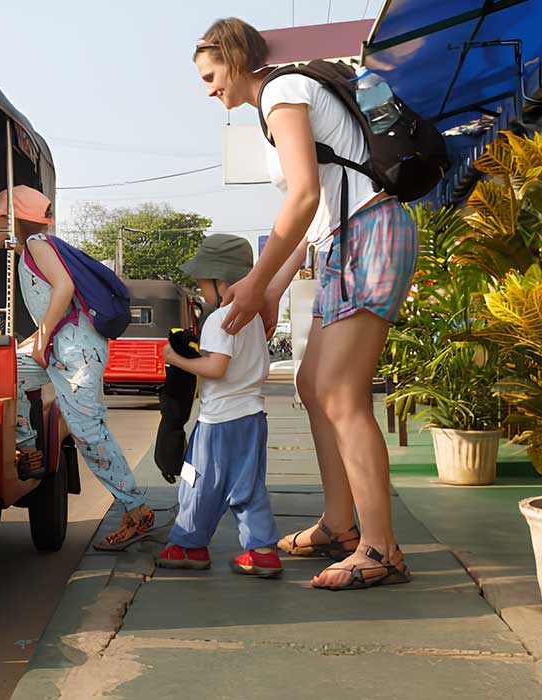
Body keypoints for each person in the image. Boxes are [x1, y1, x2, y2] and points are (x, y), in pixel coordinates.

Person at [192, 19, 416, 590]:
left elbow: (305, 195)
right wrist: (268, 289)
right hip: (342, 241)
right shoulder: (279, 99)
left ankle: (380, 548)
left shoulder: (281, 91)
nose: (209, 90)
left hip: (368, 235)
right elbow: (316, 217)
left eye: (212, 75)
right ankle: (340, 525)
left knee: (342, 394)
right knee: (313, 387)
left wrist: (257, 279)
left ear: (238, 59)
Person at [0, 186, 158, 551]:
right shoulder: (32, 252)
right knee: (10, 373)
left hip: (74, 353)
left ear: (11, 221)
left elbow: (64, 287)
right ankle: (28, 449)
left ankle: (137, 511)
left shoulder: (38, 243)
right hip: (65, 348)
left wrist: (39, 338)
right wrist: (35, 342)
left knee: (89, 434)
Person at [156, 234, 282, 577]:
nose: (200, 291)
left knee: (196, 480)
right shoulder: (253, 317)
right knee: (249, 487)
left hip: (218, 422)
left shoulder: (220, 318)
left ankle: (188, 545)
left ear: (221, 281)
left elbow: (216, 368)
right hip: (252, 417)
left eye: (202, 283)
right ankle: (263, 551)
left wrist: (174, 359)